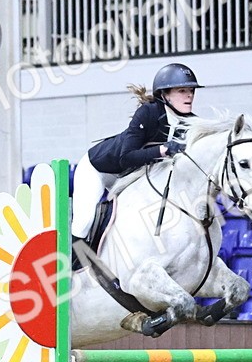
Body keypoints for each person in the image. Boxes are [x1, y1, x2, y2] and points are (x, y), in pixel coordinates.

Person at [71, 63, 202, 240]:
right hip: (99, 169)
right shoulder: (148, 113)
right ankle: (73, 257)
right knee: (84, 223)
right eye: (182, 91)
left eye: (192, 91)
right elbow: (126, 158)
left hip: (130, 177)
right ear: (165, 95)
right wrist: (163, 149)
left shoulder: (191, 123)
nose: (189, 95)